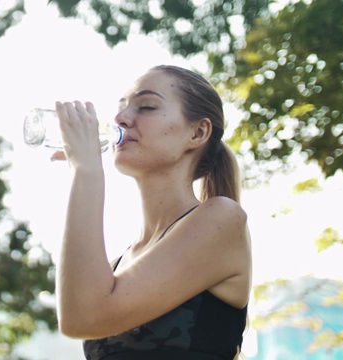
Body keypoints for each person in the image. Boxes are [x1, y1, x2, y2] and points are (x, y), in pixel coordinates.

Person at [51, 65, 252, 359]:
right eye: (121, 109)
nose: (121, 118)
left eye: (146, 106)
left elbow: (84, 317)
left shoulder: (223, 218)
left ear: (197, 132)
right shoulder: (117, 265)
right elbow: (76, 318)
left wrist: (88, 171)